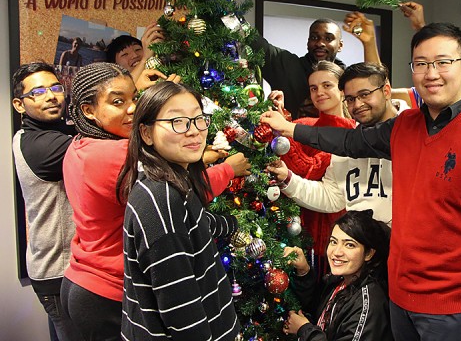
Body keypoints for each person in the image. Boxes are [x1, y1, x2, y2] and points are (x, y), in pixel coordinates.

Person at [262, 22, 461, 341]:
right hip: (400, 300)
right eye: (421, 64)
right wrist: (290, 129)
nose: (431, 73)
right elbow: (348, 142)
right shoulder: (405, 125)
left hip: (454, 310)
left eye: (443, 62)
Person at [61, 63, 249, 340]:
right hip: (107, 290)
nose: (132, 109)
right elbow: (183, 202)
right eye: (117, 101)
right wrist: (227, 168)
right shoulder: (131, 167)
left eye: (135, 98)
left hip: (82, 277)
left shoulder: (79, 143)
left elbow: (187, 210)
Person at [117, 82, 240, 340]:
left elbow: (195, 223)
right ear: (147, 133)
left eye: (198, 119)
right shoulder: (160, 200)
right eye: (178, 122)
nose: (194, 131)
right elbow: (182, 312)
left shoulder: (174, 180)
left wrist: (230, 224)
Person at [267, 62, 401, 226]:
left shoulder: (415, 130)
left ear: (386, 91)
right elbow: (331, 197)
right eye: (351, 99)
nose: (358, 105)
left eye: (365, 94)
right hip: (357, 246)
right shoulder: (346, 142)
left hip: (404, 246)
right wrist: (288, 179)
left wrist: (287, 127)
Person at [11, 62, 83, 341]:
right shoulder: (43, 146)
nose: (51, 96)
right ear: (20, 104)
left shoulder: (43, 133)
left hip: (56, 268)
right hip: (59, 272)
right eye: (38, 92)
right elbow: (101, 145)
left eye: (55, 88)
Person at [270, 60, 355, 267]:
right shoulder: (304, 124)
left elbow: (310, 169)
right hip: (295, 223)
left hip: (331, 228)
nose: (319, 93)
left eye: (327, 86)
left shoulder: (352, 134)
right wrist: (281, 116)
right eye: (313, 88)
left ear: (343, 90)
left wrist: (283, 131)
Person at [282, 210, 392, 340]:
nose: (337, 252)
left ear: (369, 254)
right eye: (333, 242)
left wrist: (304, 329)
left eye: (349, 245)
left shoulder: (369, 303)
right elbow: (315, 307)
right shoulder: (339, 280)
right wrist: (304, 271)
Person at [105, 22, 164, 88]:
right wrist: (145, 58)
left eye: (137, 49)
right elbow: (125, 89)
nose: (135, 55)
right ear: (115, 64)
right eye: (125, 54)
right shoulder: (113, 88)